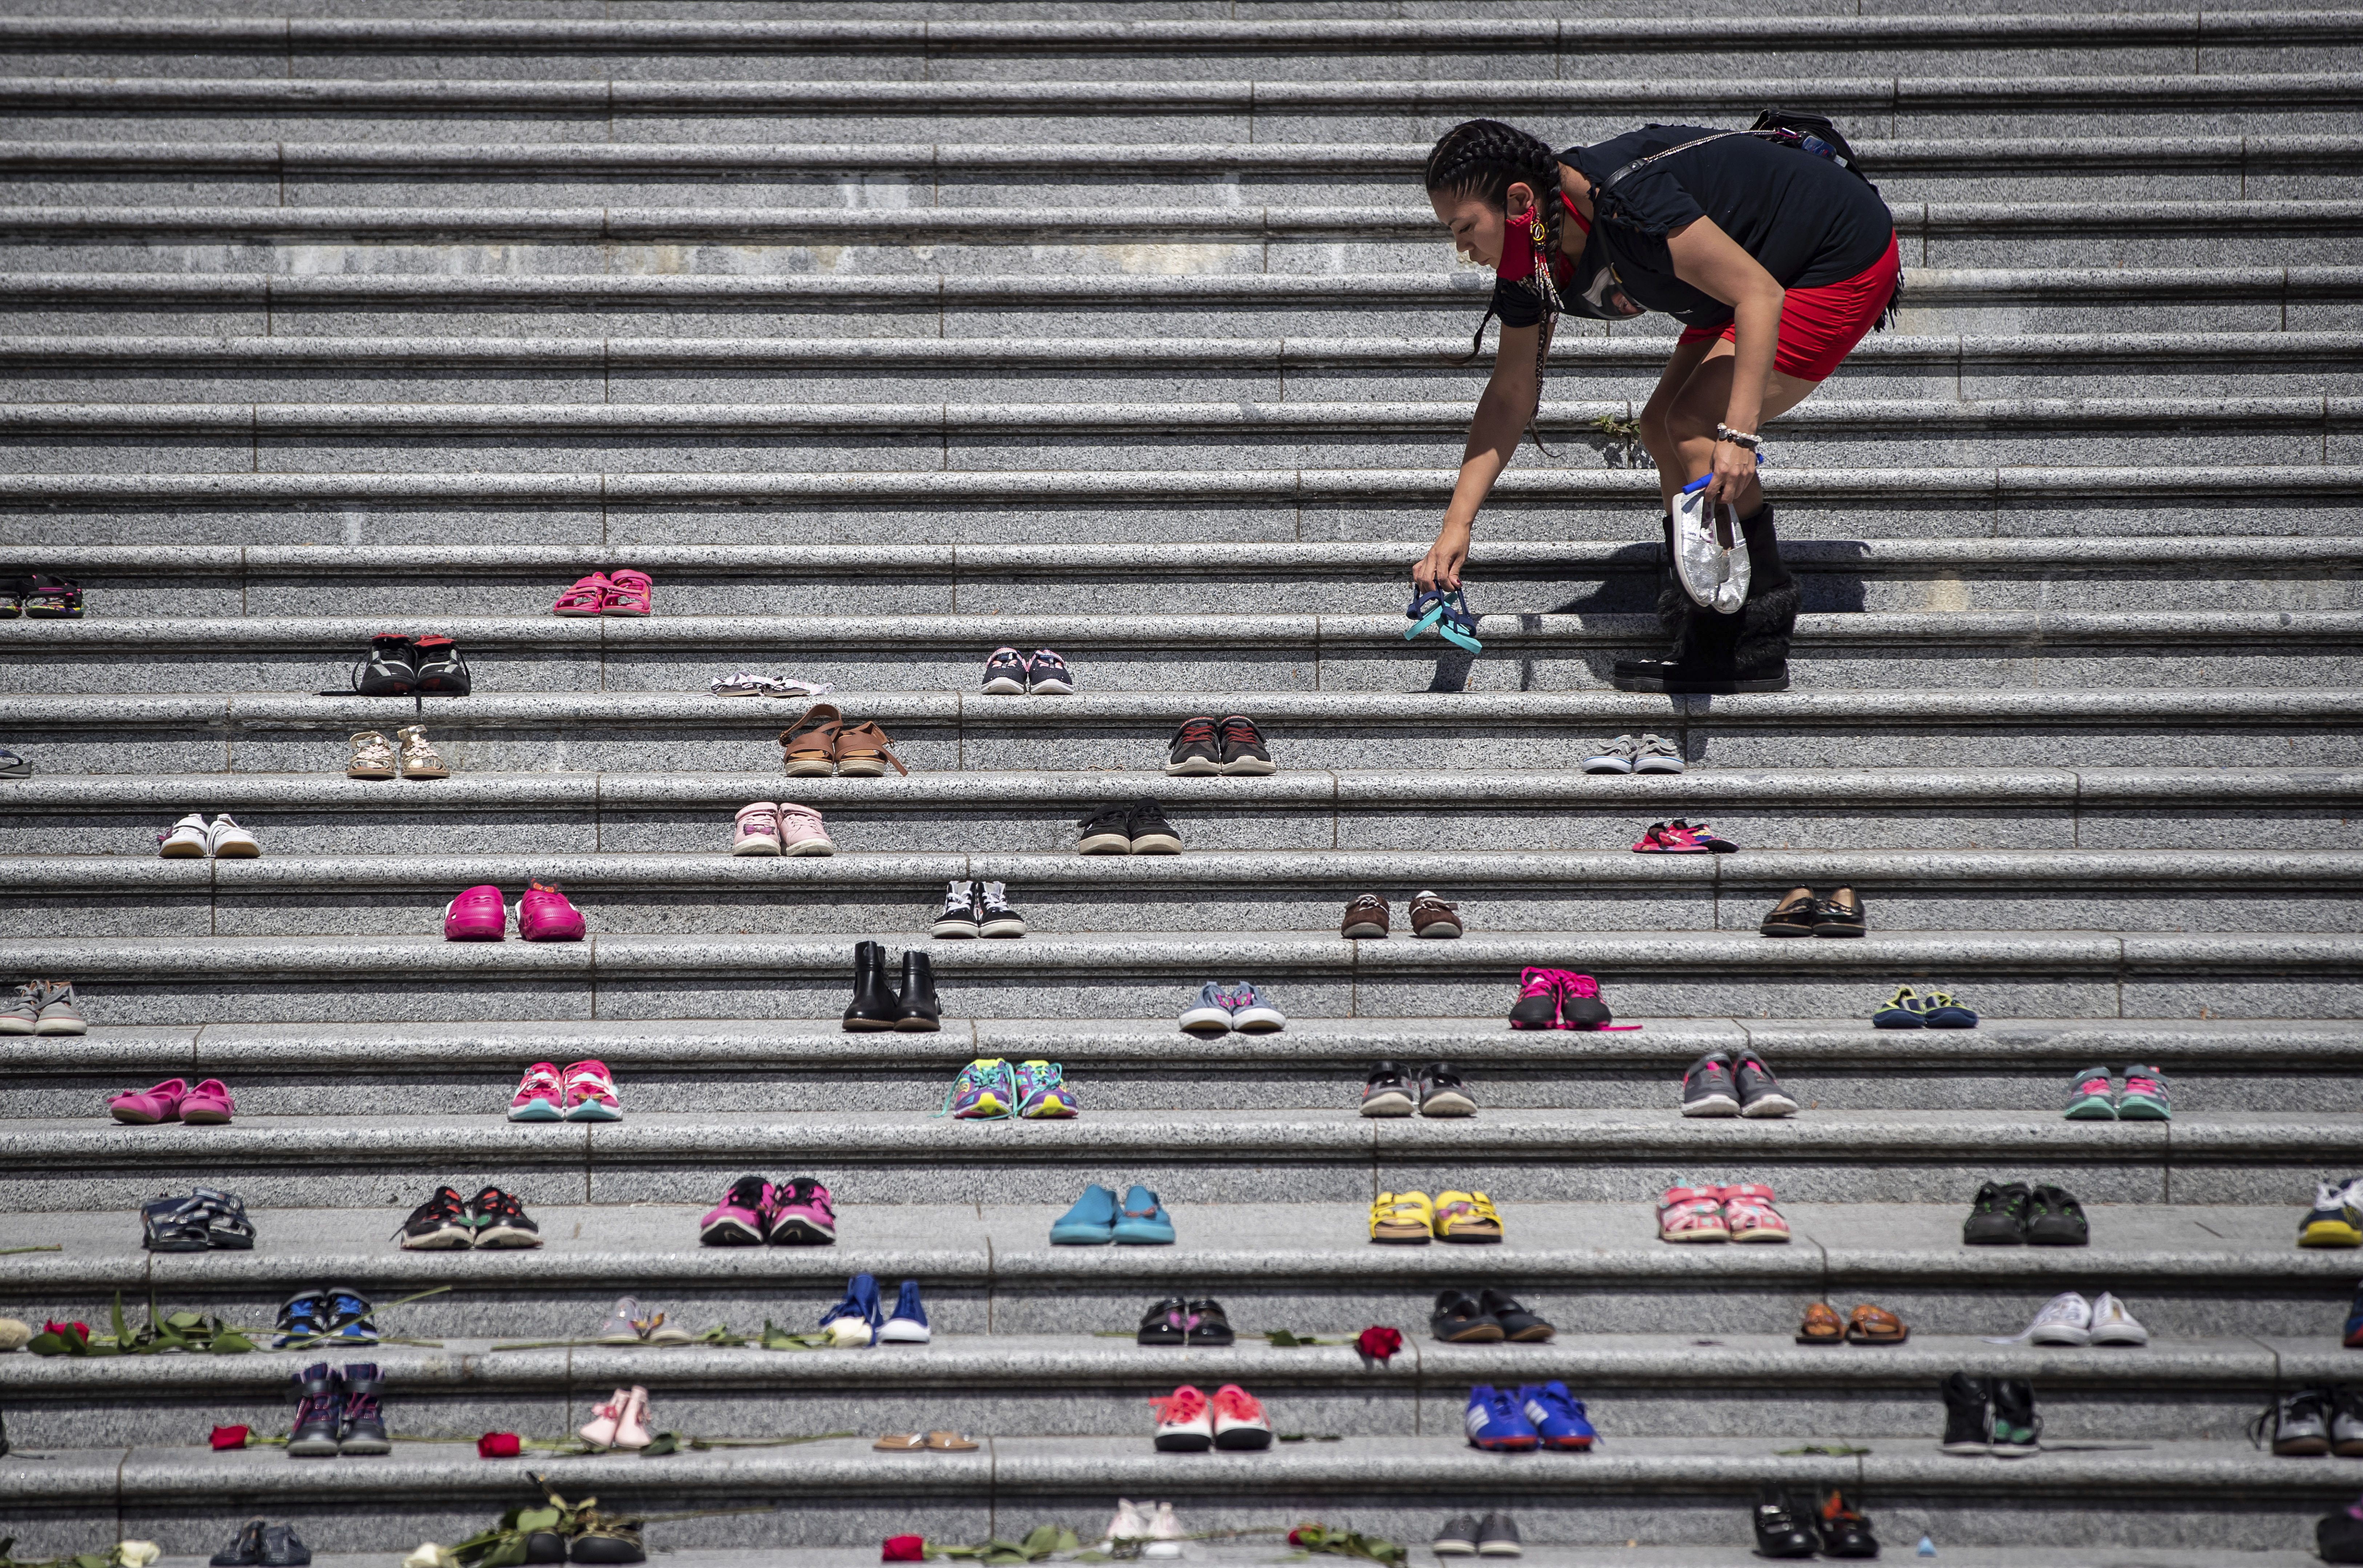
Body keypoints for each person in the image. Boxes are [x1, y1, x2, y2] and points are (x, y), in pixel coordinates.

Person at [1413, 118, 1901, 693]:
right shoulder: (1531, 255)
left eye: (1466, 227)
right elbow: (1511, 392)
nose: (1461, 247)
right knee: (1659, 426)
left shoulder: (1626, 203)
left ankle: (1750, 636)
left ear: (1519, 199)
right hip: (1748, 270)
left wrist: (1739, 436)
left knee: (1694, 423)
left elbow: (1760, 293)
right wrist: (1456, 525)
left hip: (1832, 254)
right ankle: (1699, 615)